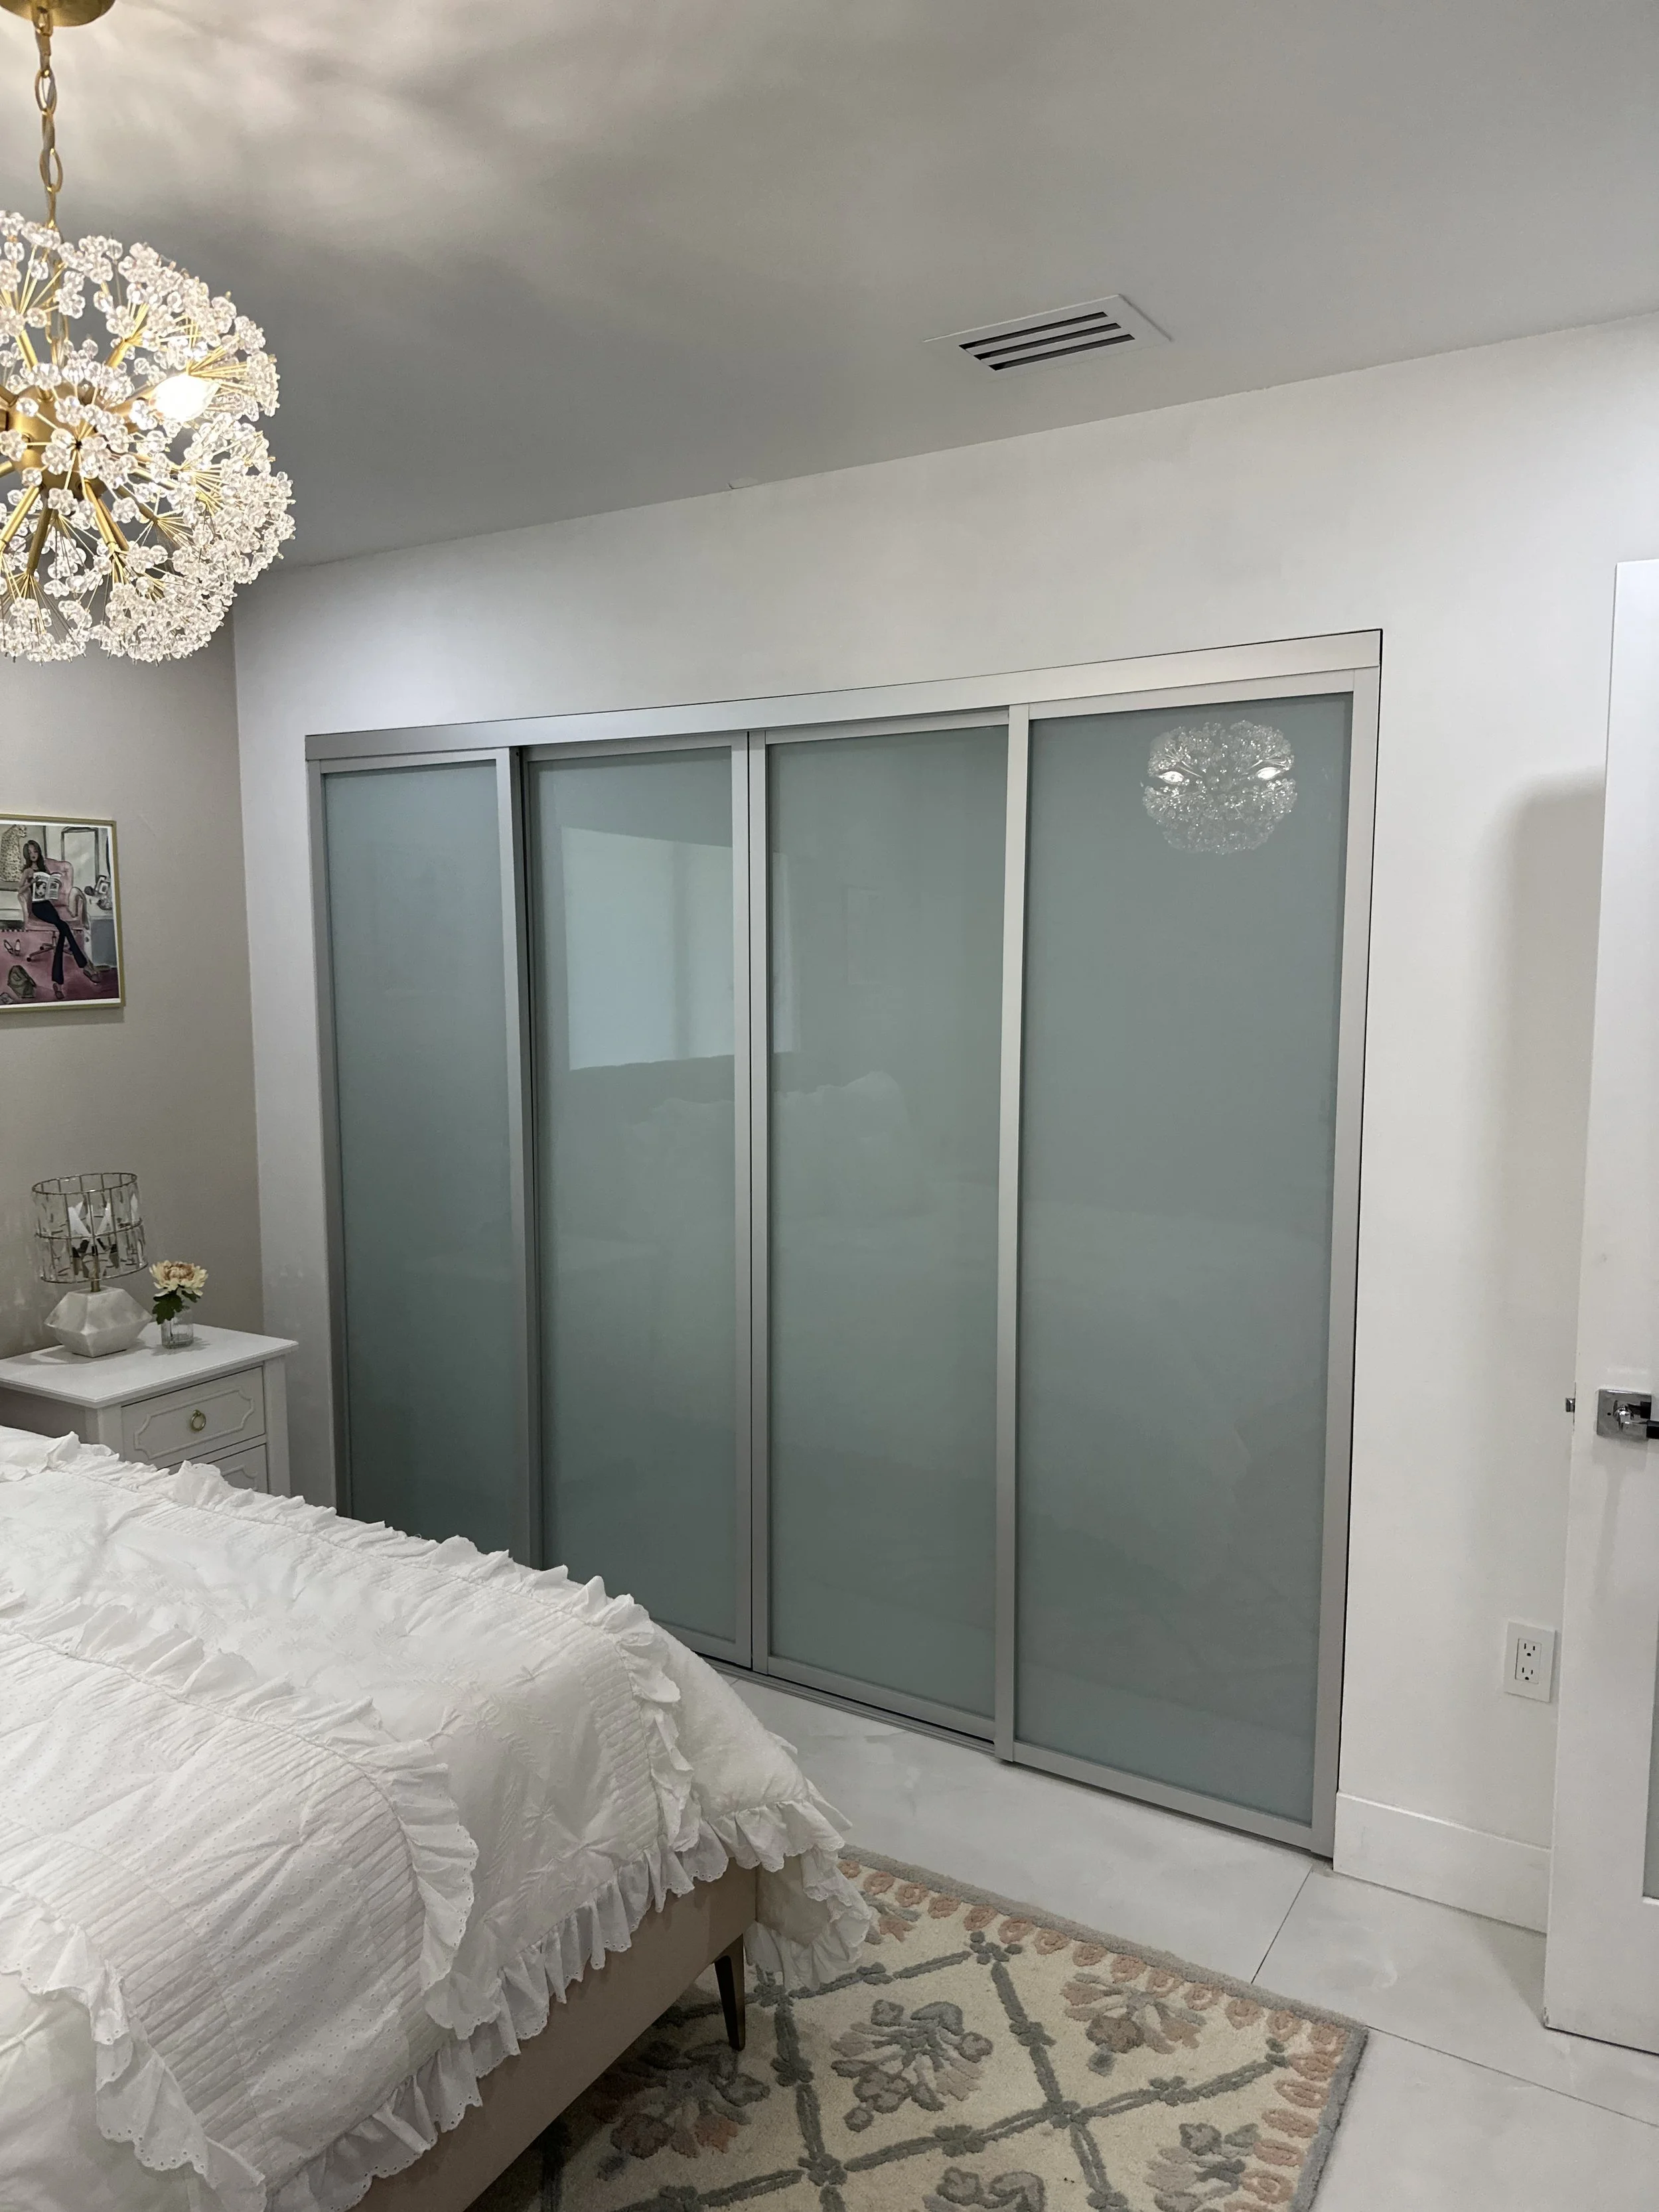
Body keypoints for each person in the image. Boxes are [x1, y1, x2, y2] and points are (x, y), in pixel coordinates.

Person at [19, 837, 92, 1001]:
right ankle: (84, 965)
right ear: (26, 854)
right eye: (30, 852)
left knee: (62, 928)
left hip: (48, 905)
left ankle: (57, 982)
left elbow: (51, 889)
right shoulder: (28, 871)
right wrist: (31, 884)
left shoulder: (45, 868)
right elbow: (19, 890)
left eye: (35, 851)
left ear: (39, 851)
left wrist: (55, 885)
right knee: (64, 927)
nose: (33, 855)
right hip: (38, 908)